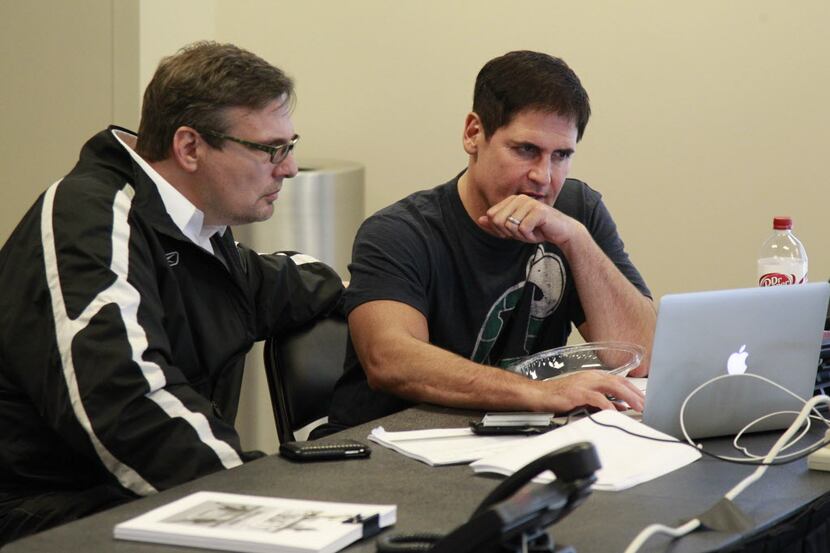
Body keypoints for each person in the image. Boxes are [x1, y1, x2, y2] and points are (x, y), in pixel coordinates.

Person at [0, 42, 343, 543]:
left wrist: (381, 293)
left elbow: (280, 285)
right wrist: (258, 496)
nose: (288, 168)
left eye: (288, 147)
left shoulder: (199, 233)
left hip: (136, 493)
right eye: (271, 150)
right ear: (189, 148)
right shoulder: (89, 218)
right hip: (46, 511)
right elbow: (126, 402)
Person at [325, 50, 656, 431]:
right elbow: (391, 360)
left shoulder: (577, 212)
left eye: (561, 155)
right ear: (473, 134)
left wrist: (576, 241)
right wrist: (539, 392)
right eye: (525, 150)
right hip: (385, 454)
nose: (543, 177)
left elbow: (643, 355)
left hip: (514, 443)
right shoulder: (398, 232)